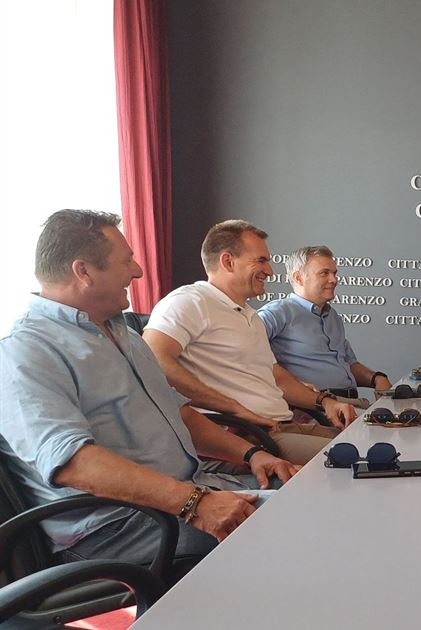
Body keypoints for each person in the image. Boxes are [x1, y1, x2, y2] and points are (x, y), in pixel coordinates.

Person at [0, 210, 299, 569]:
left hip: (186, 491)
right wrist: (194, 502)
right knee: (295, 527)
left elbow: (180, 414)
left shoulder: (125, 335)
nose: (138, 271)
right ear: (84, 271)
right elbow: (73, 464)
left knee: (306, 492)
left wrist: (251, 454)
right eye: (126, 261)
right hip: (115, 529)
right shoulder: (26, 351)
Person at [144, 220, 355, 466]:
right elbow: (152, 359)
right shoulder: (189, 301)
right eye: (261, 261)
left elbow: (277, 377)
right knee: (356, 460)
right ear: (228, 261)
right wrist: (233, 408)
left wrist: (325, 402)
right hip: (250, 436)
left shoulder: (249, 314)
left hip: (282, 425)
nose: (270, 272)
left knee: (366, 440)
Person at [259, 246, 392, 399]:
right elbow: (247, 351)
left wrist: (377, 378)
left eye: (334, 273)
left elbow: (348, 363)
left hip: (351, 403)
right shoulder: (277, 312)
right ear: (298, 278)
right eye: (324, 273)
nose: (334, 280)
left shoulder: (332, 316)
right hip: (312, 407)